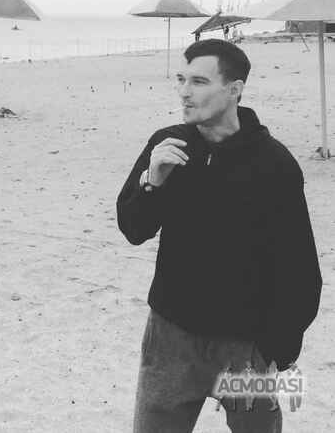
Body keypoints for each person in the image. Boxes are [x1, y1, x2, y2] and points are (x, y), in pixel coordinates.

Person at [117, 39, 322, 433]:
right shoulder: (167, 145)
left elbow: (298, 265)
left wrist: (279, 348)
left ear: (234, 89)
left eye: (198, 82)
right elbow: (134, 229)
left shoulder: (274, 164)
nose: (184, 92)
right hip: (171, 338)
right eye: (181, 80)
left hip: (245, 346)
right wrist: (151, 182)